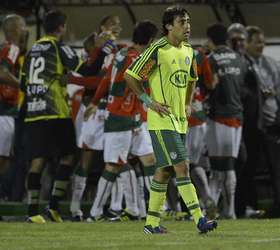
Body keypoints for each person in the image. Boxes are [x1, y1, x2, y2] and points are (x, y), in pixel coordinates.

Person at [124, 5, 217, 234]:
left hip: (179, 120)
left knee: (164, 171)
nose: (187, 26)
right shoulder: (158, 49)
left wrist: (187, 102)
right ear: (168, 26)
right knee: (182, 167)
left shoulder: (189, 51)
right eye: (182, 22)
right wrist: (148, 101)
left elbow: (193, 78)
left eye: (188, 22)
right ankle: (199, 219)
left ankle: (151, 223)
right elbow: (131, 75)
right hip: (161, 119)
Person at [22, 9, 111, 224]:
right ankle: (53, 206)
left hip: (34, 112)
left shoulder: (32, 49)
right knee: (70, 156)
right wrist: (99, 48)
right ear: (61, 27)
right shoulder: (57, 47)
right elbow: (87, 69)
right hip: (55, 111)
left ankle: (33, 212)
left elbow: (23, 82)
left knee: (38, 160)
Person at [84, 20, 158, 222]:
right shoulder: (136, 59)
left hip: (128, 117)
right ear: (150, 40)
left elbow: (107, 79)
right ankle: (95, 213)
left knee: (149, 158)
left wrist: (95, 101)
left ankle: (149, 210)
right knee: (113, 165)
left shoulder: (122, 53)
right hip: (121, 117)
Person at [69, 15, 123, 221]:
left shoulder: (119, 51)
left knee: (116, 159)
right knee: (87, 158)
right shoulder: (91, 47)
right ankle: (75, 208)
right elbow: (87, 75)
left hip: (111, 110)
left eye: (119, 24)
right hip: (93, 110)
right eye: (112, 24)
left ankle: (112, 208)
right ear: (102, 26)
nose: (117, 27)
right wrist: (98, 50)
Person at [205, 23, 245, 219]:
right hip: (238, 116)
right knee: (228, 164)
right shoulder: (239, 59)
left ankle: (220, 210)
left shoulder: (211, 59)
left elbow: (209, 85)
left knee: (218, 166)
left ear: (211, 40)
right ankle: (227, 211)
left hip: (219, 115)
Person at [243, 26, 280, 217]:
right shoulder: (243, 63)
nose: (261, 45)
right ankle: (251, 206)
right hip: (252, 126)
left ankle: (277, 205)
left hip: (272, 124)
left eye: (262, 41)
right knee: (250, 167)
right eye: (257, 41)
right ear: (246, 43)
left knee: (276, 168)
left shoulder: (272, 64)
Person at [0, 14, 27, 199]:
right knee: (3, 161)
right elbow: (2, 73)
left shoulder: (6, 48)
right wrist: (23, 85)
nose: (25, 29)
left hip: (4, 112)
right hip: (4, 112)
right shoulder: (11, 48)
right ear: (15, 29)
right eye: (23, 25)